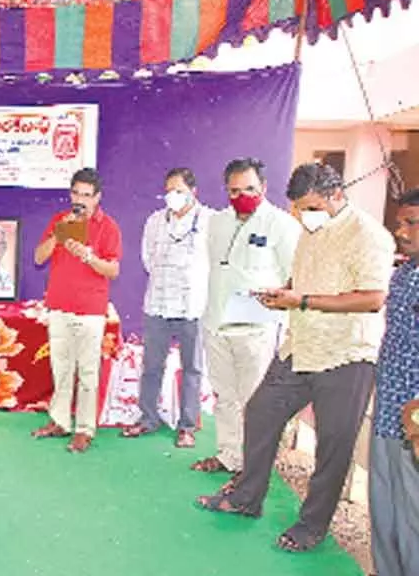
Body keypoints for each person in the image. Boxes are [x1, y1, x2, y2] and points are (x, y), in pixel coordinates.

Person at [197, 163, 395, 553]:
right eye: (300, 209)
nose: (305, 215)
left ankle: (311, 526)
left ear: (337, 195)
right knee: (260, 412)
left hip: (346, 355)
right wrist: (282, 291)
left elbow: (373, 297)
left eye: (311, 206)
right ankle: (246, 497)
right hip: (300, 346)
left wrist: (300, 300)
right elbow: (305, 280)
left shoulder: (370, 236)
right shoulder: (310, 230)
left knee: (333, 446)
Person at [191, 158, 301, 476]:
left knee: (255, 402)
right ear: (226, 190)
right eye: (235, 191)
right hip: (216, 324)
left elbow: (296, 277)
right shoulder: (217, 222)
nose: (242, 196)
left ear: (264, 188)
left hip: (257, 328)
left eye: (250, 189)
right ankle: (228, 456)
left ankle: (253, 468)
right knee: (224, 397)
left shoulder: (281, 225)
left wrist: (274, 297)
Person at [32, 168, 122, 453]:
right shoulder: (60, 221)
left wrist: (90, 257)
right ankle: (59, 421)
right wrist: (59, 235)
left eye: (86, 195)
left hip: (90, 311)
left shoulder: (108, 227)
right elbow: (38, 257)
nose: (80, 200)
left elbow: (113, 270)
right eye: (76, 194)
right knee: (61, 368)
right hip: (59, 306)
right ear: (70, 194)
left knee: (87, 373)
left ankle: (84, 429)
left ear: (97, 198)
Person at [122, 168, 210, 448]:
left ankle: (187, 426)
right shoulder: (155, 221)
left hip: (192, 308)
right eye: (169, 191)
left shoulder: (210, 220)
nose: (173, 196)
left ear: (193, 192)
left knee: (192, 368)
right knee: (151, 366)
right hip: (158, 304)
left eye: (179, 191)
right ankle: (147, 418)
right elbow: (148, 259)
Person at [369, 188, 419, 576]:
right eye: (399, 222)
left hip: (414, 419)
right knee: (385, 504)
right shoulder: (404, 274)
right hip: (387, 407)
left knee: (414, 515)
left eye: (411, 223)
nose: (400, 231)